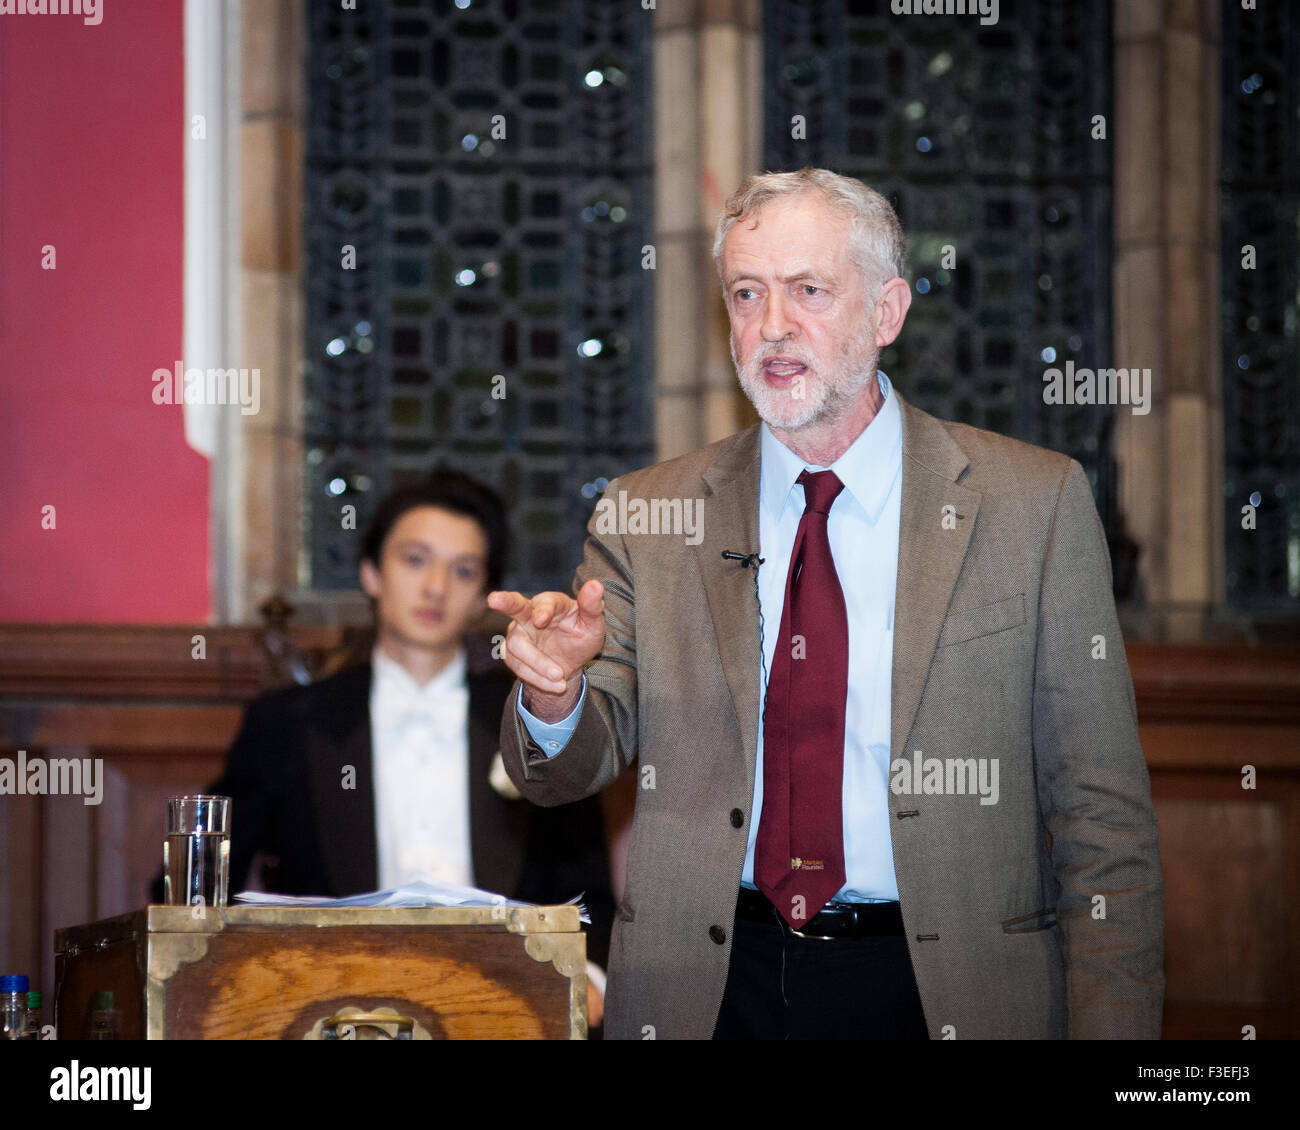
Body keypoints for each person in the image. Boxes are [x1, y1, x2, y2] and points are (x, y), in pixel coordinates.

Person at [488, 168, 1164, 1040]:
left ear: (887, 312)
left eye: (809, 290)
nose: (772, 326)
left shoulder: (1031, 504)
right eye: (746, 293)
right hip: (709, 989)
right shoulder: (648, 514)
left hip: (941, 989)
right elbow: (567, 772)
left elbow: (1102, 817)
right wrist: (554, 694)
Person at [155, 471, 614, 989]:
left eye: (462, 571)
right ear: (372, 572)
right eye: (415, 560)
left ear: (485, 592)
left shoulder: (536, 712)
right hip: (329, 999)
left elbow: (587, 888)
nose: (436, 587)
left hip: (503, 1001)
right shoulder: (286, 724)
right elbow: (198, 885)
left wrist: (590, 984)